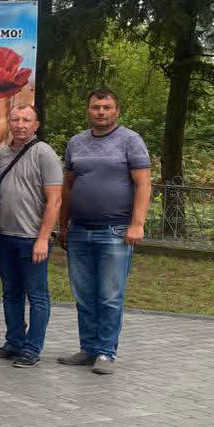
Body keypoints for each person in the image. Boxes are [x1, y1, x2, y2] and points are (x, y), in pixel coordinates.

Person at [58, 88, 152, 374]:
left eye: (107, 107)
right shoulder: (76, 143)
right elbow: (68, 186)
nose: (101, 112)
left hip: (115, 231)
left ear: (117, 111)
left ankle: (106, 352)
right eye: (96, 107)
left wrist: (137, 224)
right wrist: (63, 225)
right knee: (84, 295)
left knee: (110, 296)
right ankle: (88, 348)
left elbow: (143, 184)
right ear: (88, 110)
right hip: (79, 231)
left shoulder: (130, 141)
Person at [0, 102, 63, 367]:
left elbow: (55, 200)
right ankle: (14, 342)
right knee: (11, 292)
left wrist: (43, 238)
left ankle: (32, 348)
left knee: (37, 295)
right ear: (9, 123)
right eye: (16, 120)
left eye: (26, 120)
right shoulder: (1, 154)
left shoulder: (45, 153)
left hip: (32, 238)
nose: (20, 125)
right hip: (4, 236)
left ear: (36, 125)